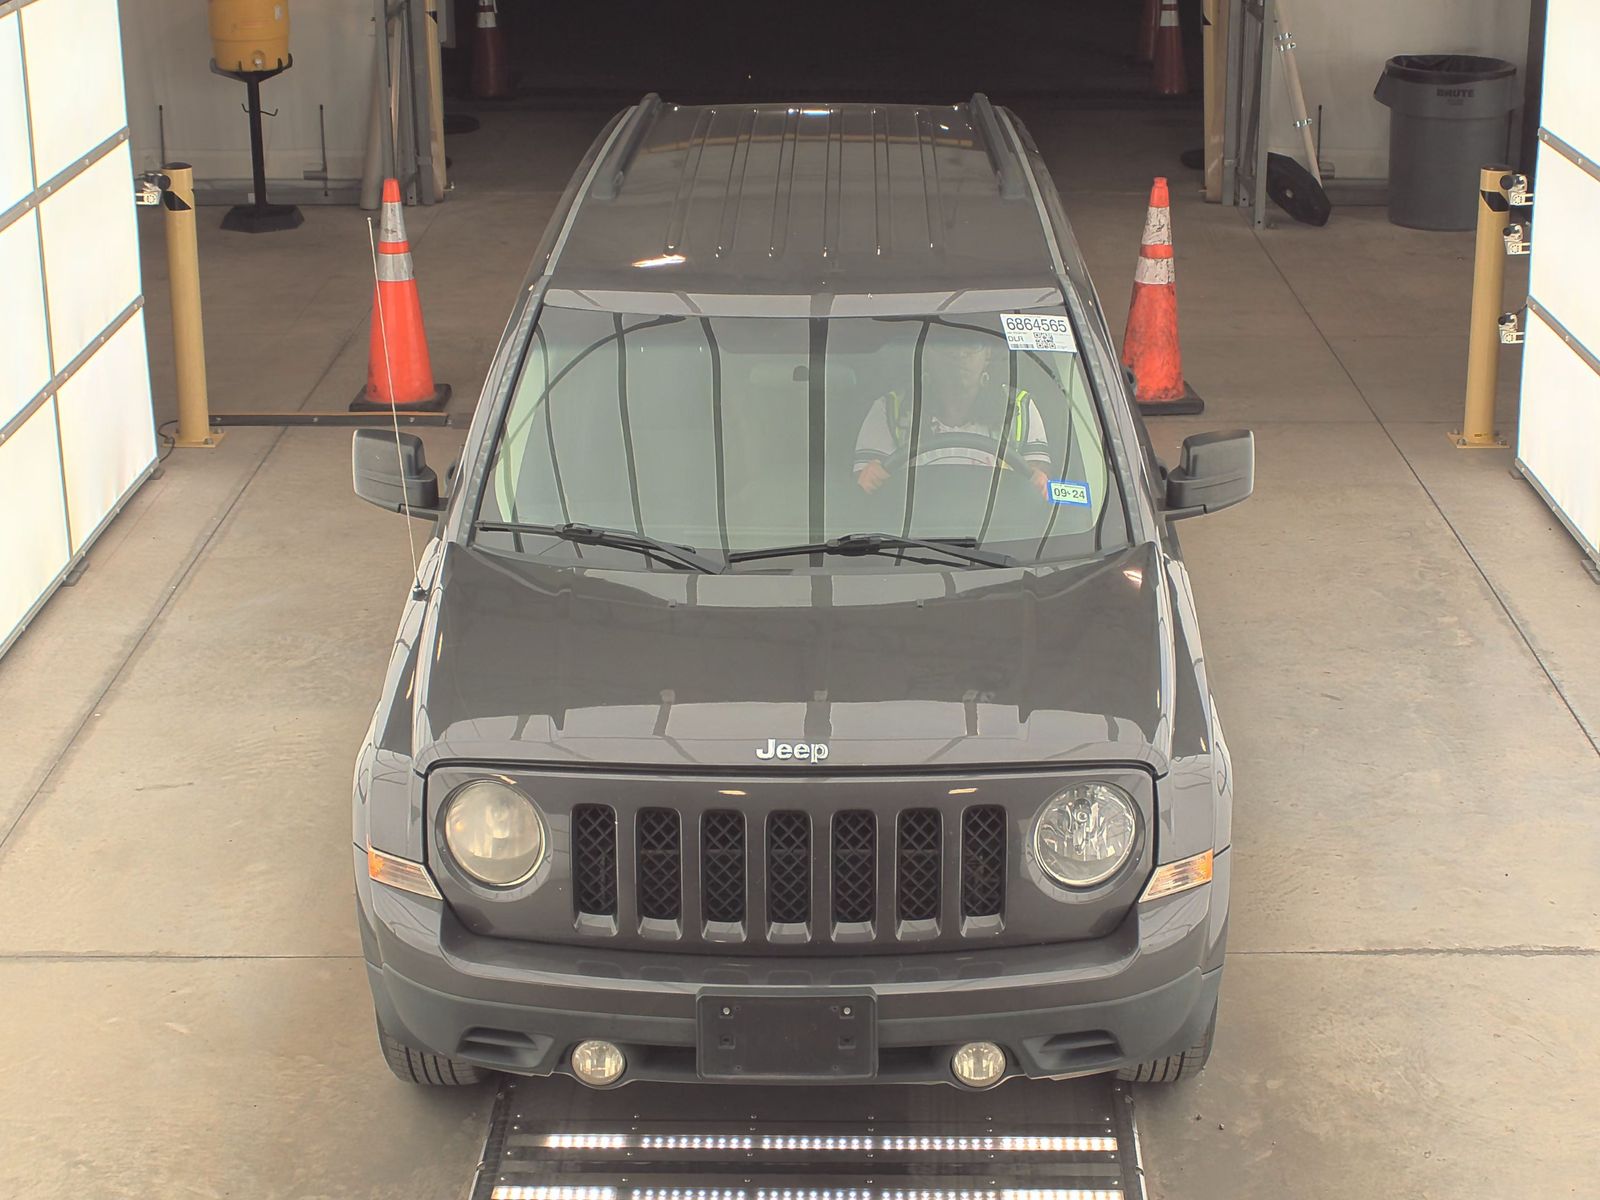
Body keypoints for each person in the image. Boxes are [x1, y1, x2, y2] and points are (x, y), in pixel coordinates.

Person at [854, 341, 1052, 496]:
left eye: (972, 345)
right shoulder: (890, 408)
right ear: (926, 354)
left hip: (1004, 540)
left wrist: (1041, 483)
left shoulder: (1019, 408)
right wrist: (870, 476)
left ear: (988, 354)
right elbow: (863, 490)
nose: (959, 354)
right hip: (905, 541)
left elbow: (1039, 485)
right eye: (946, 345)